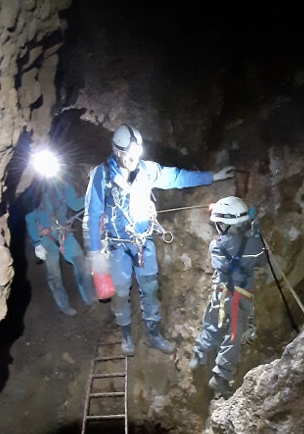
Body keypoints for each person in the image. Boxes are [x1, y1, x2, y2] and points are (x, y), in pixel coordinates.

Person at [84, 124, 234, 356]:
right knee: (121, 292)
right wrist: (94, 254)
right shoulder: (101, 176)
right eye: (128, 156)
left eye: (136, 155)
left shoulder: (147, 170)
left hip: (144, 243)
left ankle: (153, 335)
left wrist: (211, 177)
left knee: (150, 288)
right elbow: (93, 216)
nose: (133, 160)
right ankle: (126, 336)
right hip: (117, 247)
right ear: (118, 152)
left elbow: (176, 176)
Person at [189, 196, 267, 398]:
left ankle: (199, 352)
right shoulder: (253, 246)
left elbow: (232, 240)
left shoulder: (216, 245)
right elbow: (261, 260)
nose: (217, 227)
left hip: (219, 293)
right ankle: (221, 377)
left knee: (212, 324)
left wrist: (244, 221)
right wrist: (255, 233)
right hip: (237, 299)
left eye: (219, 224)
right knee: (233, 336)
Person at [25, 179, 95, 316]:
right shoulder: (35, 192)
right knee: (54, 275)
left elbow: (75, 205)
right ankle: (64, 306)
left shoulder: (62, 186)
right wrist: (37, 243)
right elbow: (30, 218)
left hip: (64, 234)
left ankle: (90, 298)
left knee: (82, 264)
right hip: (46, 240)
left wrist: (91, 196)